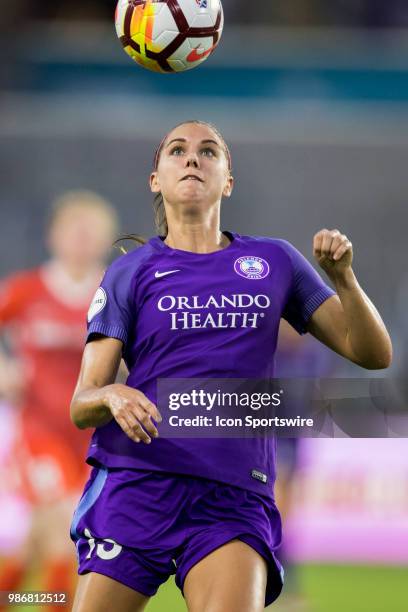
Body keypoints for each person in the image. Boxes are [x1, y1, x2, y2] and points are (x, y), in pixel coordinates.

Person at [69, 120, 392, 612]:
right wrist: (113, 394)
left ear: (228, 180)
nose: (192, 158)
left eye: (208, 151)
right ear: (155, 179)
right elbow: (83, 401)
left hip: (233, 496)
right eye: (177, 150)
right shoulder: (129, 272)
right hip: (140, 483)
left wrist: (344, 278)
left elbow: (373, 354)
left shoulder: (275, 261)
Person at [0, 191, 118, 609]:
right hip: (39, 433)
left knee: (35, 547)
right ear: (54, 236)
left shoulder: (115, 291)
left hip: (91, 438)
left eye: (92, 233)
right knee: (63, 537)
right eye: (75, 231)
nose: (82, 241)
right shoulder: (28, 290)